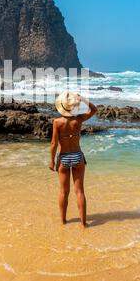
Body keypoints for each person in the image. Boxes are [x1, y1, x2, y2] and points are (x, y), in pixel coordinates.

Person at [49, 91, 97, 226]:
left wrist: (52, 161)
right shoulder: (79, 119)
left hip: (64, 157)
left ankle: (63, 221)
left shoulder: (57, 122)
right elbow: (94, 109)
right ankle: (83, 224)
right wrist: (82, 99)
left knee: (64, 192)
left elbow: (54, 143)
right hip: (78, 156)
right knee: (80, 191)